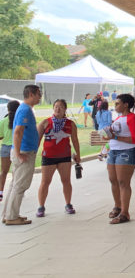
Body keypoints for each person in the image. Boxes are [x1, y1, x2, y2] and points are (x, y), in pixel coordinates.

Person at [96, 93, 135, 224]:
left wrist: (115, 137)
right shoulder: (118, 118)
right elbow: (114, 135)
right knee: (113, 180)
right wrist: (108, 137)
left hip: (127, 151)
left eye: (117, 103)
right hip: (114, 151)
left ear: (126, 105)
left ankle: (125, 213)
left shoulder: (133, 118)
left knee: (123, 182)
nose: (114, 106)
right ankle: (117, 206)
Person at [2, 85, 42, 225]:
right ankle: (12, 217)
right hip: (24, 152)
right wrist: (19, 153)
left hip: (22, 151)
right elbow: (18, 131)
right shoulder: (25, 110)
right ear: (31, 94)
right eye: (38, 94)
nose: (40, 97)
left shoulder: (25, 109)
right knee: (20, 185)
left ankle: (8, 214)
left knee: (14, 185)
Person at [35, 99, 81, 217]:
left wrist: (78, 155)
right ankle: (41, 207)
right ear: (53, 108)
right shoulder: (45, 122)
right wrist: (33, 154)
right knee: (45, 182)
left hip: (64, 156)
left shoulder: (70, 124)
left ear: (65, 109)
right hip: (48, 157)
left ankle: (68, 204)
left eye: (61, 107)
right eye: (56, 106)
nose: (58, 109)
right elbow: (37, 140)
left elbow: (75, 140)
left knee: (66, 181)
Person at [0, 100, 20, 203]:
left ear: (8, 109)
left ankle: (0, 192)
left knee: (3, 172)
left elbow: (0, 136)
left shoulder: (3, 121)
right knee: (16, 171)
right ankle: (15, 192)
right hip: (17, 148)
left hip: (5, 149)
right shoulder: (20, 121)